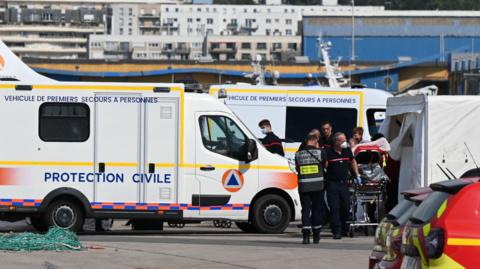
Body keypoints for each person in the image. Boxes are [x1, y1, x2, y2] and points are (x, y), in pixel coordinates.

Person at [324, 132, 361, 239]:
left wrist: (357, 174)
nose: (345, 142)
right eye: (343, 140)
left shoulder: (347, 151)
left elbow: (353, 161)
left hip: (344, 183)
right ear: (337, 142)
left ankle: (344, 228)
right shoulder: (328, 153)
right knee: (334, 207)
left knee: (345, 207)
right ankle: (337, 230)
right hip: (332, 184)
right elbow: (325, 165)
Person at [295, 131, 326, 244]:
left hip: (303, 186)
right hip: (318, 186)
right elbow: (325, 165)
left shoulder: (298, 154)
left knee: (305, 210)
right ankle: (316, 235)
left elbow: (298, 168)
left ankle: (306, 236)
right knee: (317, 210)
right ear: (315, 140)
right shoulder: (320, 152)